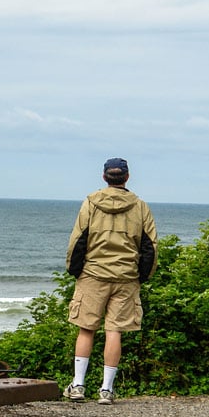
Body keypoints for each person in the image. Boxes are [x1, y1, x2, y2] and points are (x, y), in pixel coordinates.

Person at [64, 158, 158, 404]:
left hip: (93, 274)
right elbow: (150, 246)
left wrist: (75, 271)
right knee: (114, 330)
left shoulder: (91, 203)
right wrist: (142, 276)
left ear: (104, 177)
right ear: (127, 177)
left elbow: (78, 240)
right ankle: (106, 390)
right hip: (126, 277)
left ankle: (78, 386)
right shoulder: (140, 206)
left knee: (86, 328)